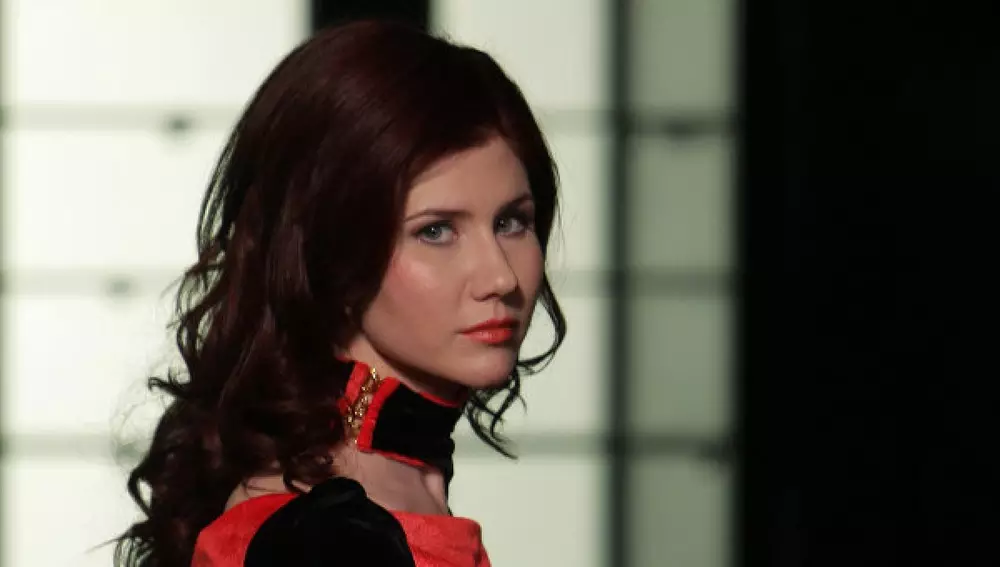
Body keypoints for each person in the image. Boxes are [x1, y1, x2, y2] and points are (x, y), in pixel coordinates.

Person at [113, 19, 566, 567]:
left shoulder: (387, 484)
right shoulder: (326, 533)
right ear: (330, 249)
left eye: (512, 222)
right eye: (435, 230)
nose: (501, 277)